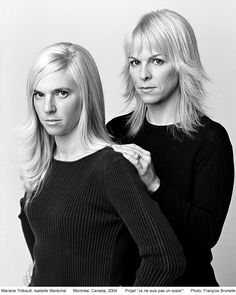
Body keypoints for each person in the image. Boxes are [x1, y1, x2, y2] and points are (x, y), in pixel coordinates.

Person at [18, 42, 186, 286]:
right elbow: (36, 225)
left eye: (62, 93)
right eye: (39, 94)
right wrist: (40, 266)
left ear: (86, 96)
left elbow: (166, 259)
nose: (48, 107)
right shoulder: (42, 164)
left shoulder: (111, 168)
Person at [107, 9, 234, 286]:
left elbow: (205, 235)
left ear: (182, 63)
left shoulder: (210, 139)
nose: (143, 74)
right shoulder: (116, 131)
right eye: (134, 62)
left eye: (157, 61)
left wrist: (154, 184)